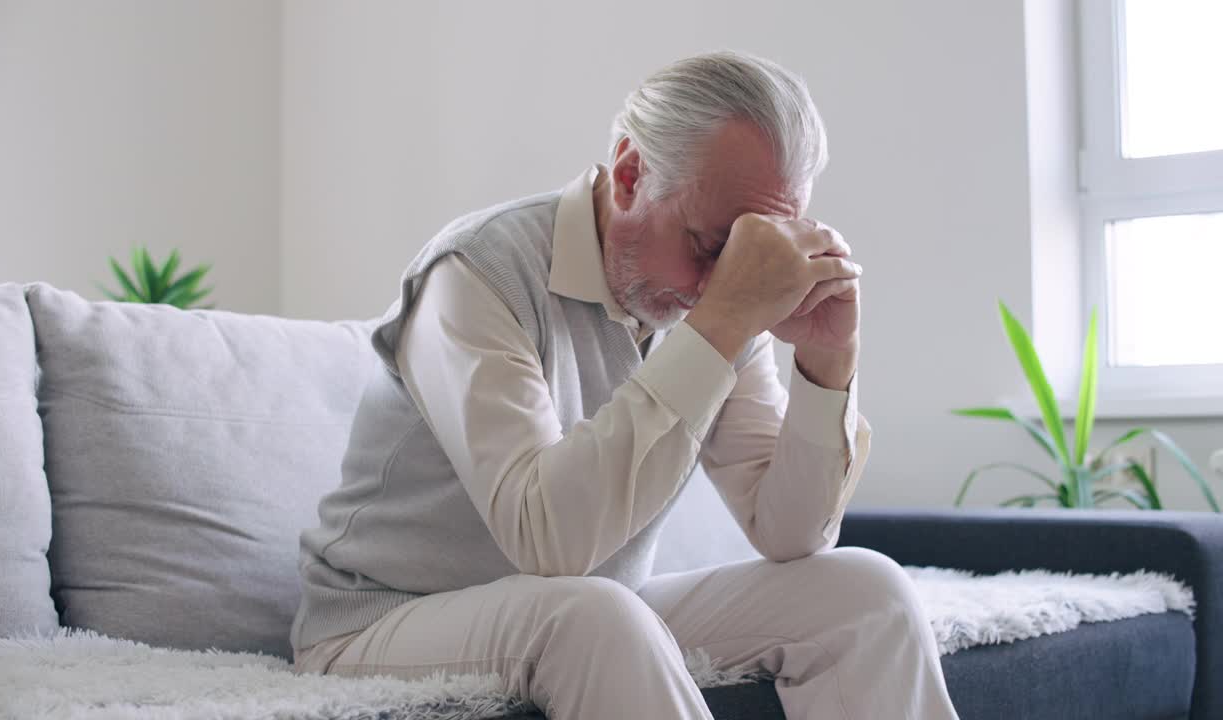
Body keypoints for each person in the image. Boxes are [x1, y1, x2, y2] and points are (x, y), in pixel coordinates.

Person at [291, 50, 958, 719]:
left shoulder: (723, 303)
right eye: (708, 248)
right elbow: (548, 544)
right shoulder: (478, 272)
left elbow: (791, 536)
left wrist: (827, 360)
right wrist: (722, 324)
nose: (716, 286)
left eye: (747, 255)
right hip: (383, 623)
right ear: (632, 173)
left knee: (865, 594)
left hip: (588, 608)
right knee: (592, 613)